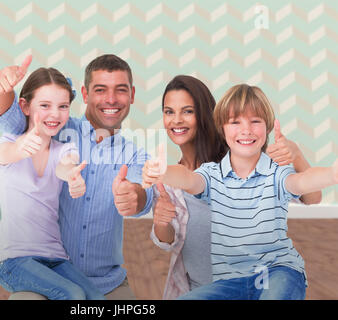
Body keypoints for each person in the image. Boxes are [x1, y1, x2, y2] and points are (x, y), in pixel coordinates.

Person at [0, 54, 154, 299]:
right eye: (101, 89)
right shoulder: (53, 127)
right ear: (84, 94)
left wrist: (133, 196)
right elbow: (3, 116)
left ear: (132, 95)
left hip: (105, 281)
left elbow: (143, 195)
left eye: (121, 90)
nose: (111, 99)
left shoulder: (135, 155)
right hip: (33, 271)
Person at [143, 83, 335, 300]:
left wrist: (331, 173)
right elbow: (187, 177)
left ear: (268, 128)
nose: (246, 130)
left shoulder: (276, 173)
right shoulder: (212, 174)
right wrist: (162, 171)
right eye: (235, 122)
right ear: (222, 128)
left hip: (277, 272)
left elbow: (303, 182)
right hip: (229, 282)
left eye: (255, 121)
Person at [0, 66, 105, 300]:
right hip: (14, 261)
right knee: (72, 295)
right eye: (45, 105)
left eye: (63, 106)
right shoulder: (10, 141)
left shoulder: (65, 149)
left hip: (56, 258)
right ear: (25, 106)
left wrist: (73, 176)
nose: (55, 114)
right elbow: (5, 154)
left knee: (96, 298)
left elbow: (65, 166)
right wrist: (19, 148)